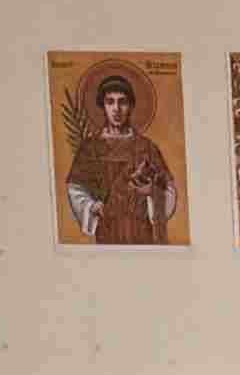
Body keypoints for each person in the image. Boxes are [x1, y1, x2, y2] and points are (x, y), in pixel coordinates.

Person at [63, 67, 178, 244]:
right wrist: (91, 206)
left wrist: (152, 192)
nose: (116, 109)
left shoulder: (147, 147)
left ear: (130, 106)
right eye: (110, 102)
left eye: (122, 102)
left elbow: (168, 189)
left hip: (141, 231)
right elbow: (75, 188)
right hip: (107, 228)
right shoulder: (90, 148)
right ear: (103, 107)